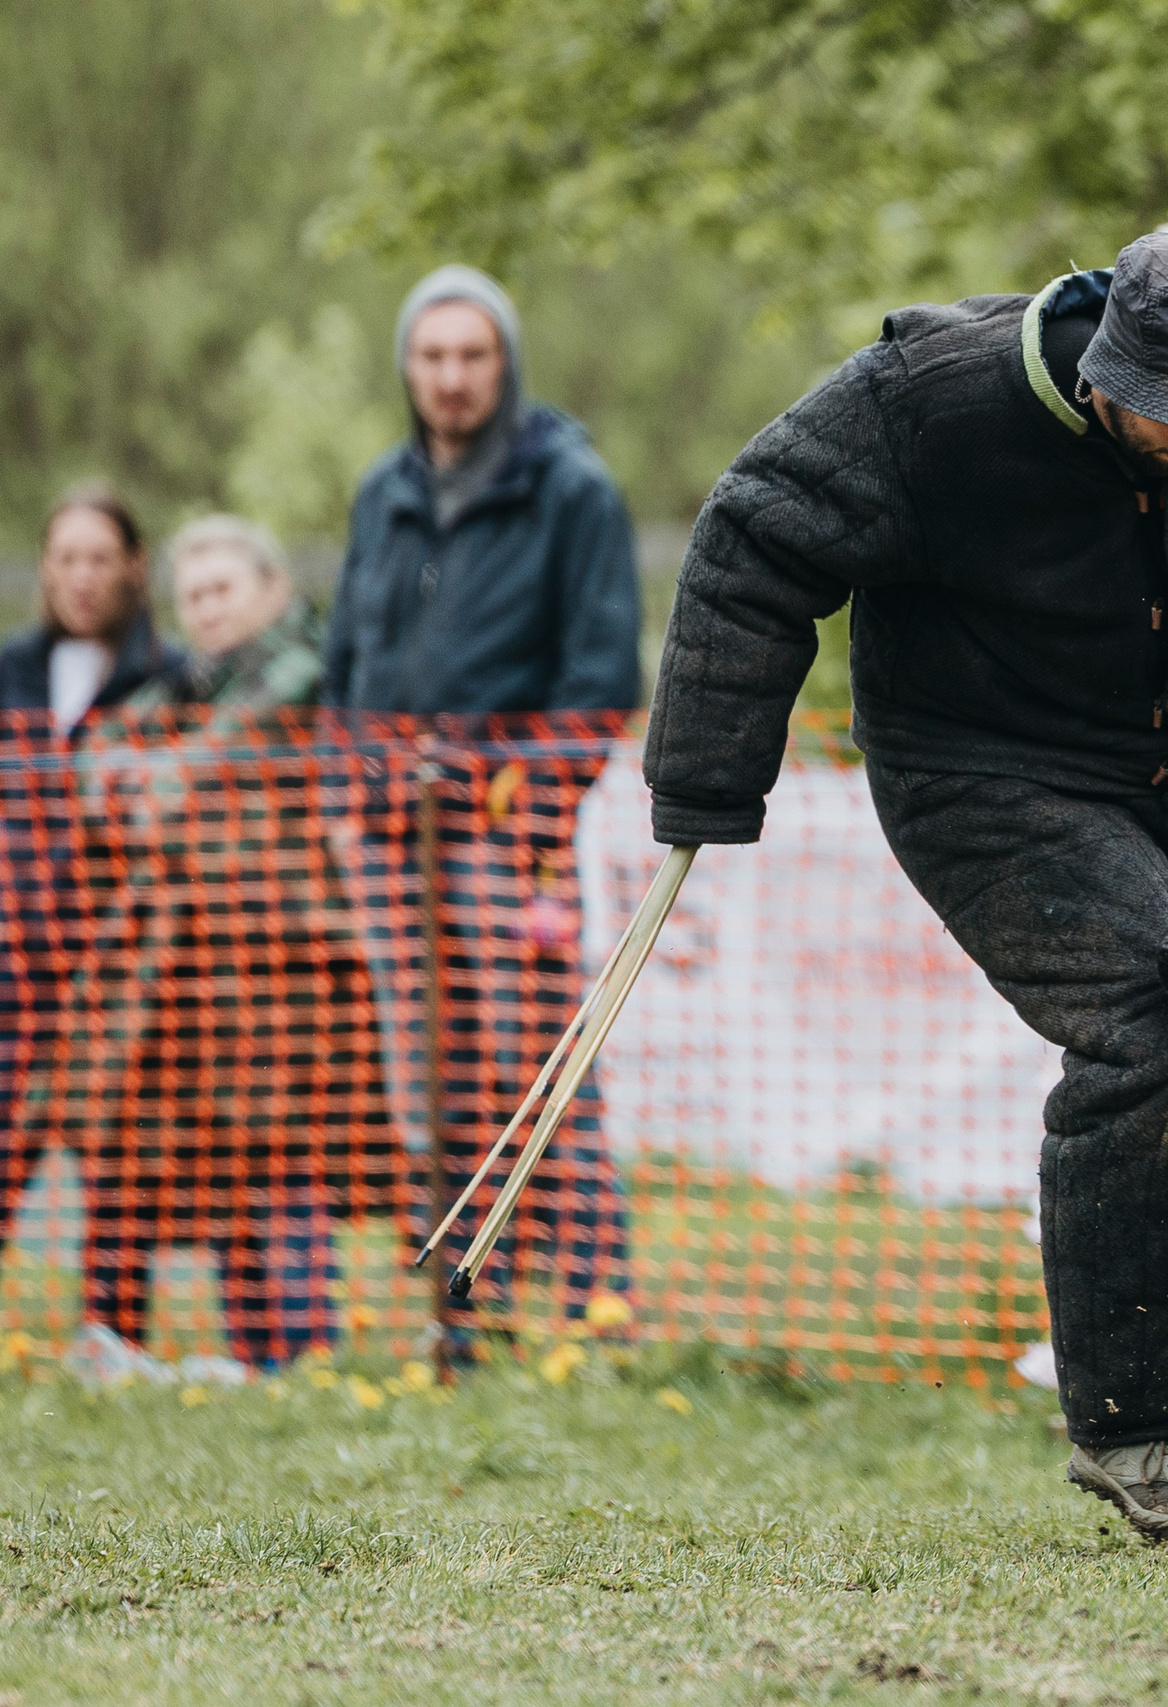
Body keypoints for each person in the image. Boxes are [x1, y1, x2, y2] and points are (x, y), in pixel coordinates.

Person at [643, 230, 1168, 1544]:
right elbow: (758, 530)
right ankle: (1142, 1430)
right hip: (981, 770)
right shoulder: (929, 401)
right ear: (1106, 376)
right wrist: (710, 780)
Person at [326, 265, 643, 1363]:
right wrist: (358, 785)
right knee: (426, 1081)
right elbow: (347, 668)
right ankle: (464, 1310)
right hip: (386, 839)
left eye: (473, 356)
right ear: (407, 367)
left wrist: (518, 797)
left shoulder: (570, 489)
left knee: (537, 1069)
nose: (451, 377)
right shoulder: (383, 491)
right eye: (432, 356)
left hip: (513, 839)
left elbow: (600, 677)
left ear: (504, 364)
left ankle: (594, 1308)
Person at [53, 517, 374, 1380]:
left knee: (286, 1151)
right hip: (210, 965)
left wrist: (164, 776)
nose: (207, 609)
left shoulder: (305, 666)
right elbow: (110, 743)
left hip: (292, 959)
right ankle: (247, 1349)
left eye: (223, 589)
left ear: (271, 588)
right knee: (229, 1150)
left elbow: (235, 741)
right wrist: (115, 770)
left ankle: (304, 1349)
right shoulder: (192, 682)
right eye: (192, 595)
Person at [0, 487, 182, 1363]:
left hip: (121, 956)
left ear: (133, 567)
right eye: (66, 558)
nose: (82, 577)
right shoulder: (11, 670)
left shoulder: (169, 674)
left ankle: (111, 1332)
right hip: (17, 948)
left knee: (117, 1145)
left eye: (100, 558)